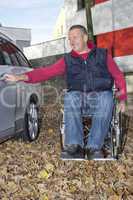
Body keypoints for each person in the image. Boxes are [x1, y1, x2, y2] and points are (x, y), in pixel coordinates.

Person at [4, 25, 127, 160]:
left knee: (106, 96)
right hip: (78, 101)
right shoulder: (68, 60)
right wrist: (20, 77)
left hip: (101, 101)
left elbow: (118, 75)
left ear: (85, 37)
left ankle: (94, 147)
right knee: (71, 95)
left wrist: (122, 98)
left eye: (75, 37)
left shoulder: (102, 55)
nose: (72, 41)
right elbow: (46, 72)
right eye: (69, 39)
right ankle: (75, 146)